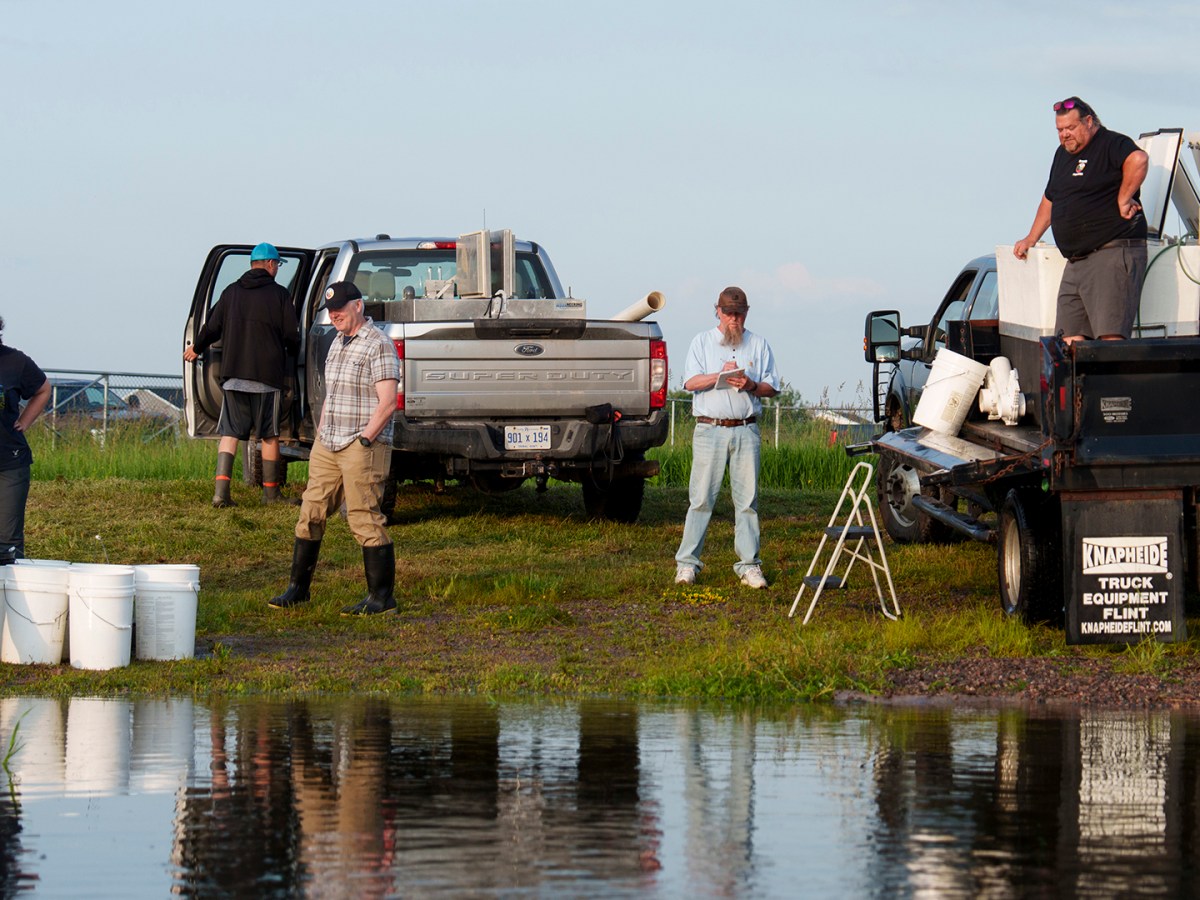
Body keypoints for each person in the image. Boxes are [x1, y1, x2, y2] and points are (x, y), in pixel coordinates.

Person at [269, 281, 401, 615]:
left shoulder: (379, 345)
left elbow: (387, 403)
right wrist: (322, 432)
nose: (335, 314)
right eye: (331, 310)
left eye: (340, 308)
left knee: (363, 518)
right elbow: (332, 394)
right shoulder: (336, 342)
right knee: (310, 512)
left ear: (358, 305)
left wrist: (366, 439)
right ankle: (298, 589)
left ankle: (382, 599)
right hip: (329, 443)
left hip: (362, 444)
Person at [1013, 96, 1149, 344]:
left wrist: (1124, 197)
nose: (1065, 135)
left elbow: (1138, 160)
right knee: (1068, 341)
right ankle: (1078, 384)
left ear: (1088, 122)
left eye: (1070, 128)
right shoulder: (1062, 154)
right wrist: (1031, 238)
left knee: (1109, 337)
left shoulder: (1111, 143)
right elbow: (1050, 198)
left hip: (1110, 252)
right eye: (1060, 130)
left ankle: (1111, 384)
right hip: (1076, 261)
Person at [674, 287, 780, 589]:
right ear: (717, 311)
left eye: (739, 312)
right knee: (701, 499)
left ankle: (749, 565)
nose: (734, 318)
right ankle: (687, 564)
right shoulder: (701, 342)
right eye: (729, 312)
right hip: (710, 428)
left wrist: (750, 384)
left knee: (747, 502)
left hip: (746, 428)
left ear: (747, 312)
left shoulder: (759, 344)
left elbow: (772, 387)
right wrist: (717, 376)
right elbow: (690, 382)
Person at [184, 242, 300, 506]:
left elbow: (212, 326)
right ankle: (271, 494)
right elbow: (291, 335)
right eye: (278, 265)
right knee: (270, 435)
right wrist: (293, 352)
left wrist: (196, 348)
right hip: (267, 378)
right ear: (271, 264)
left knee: (230, 433)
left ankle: (220, 494)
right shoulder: (280, 296)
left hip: (234, 376)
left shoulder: (231, 292)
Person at [0, 317, 51, 559]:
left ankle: (9, 595)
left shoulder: (15, 362)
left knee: (7, 542)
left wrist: (25, 421)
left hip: (9, 462)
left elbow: (43, 389)